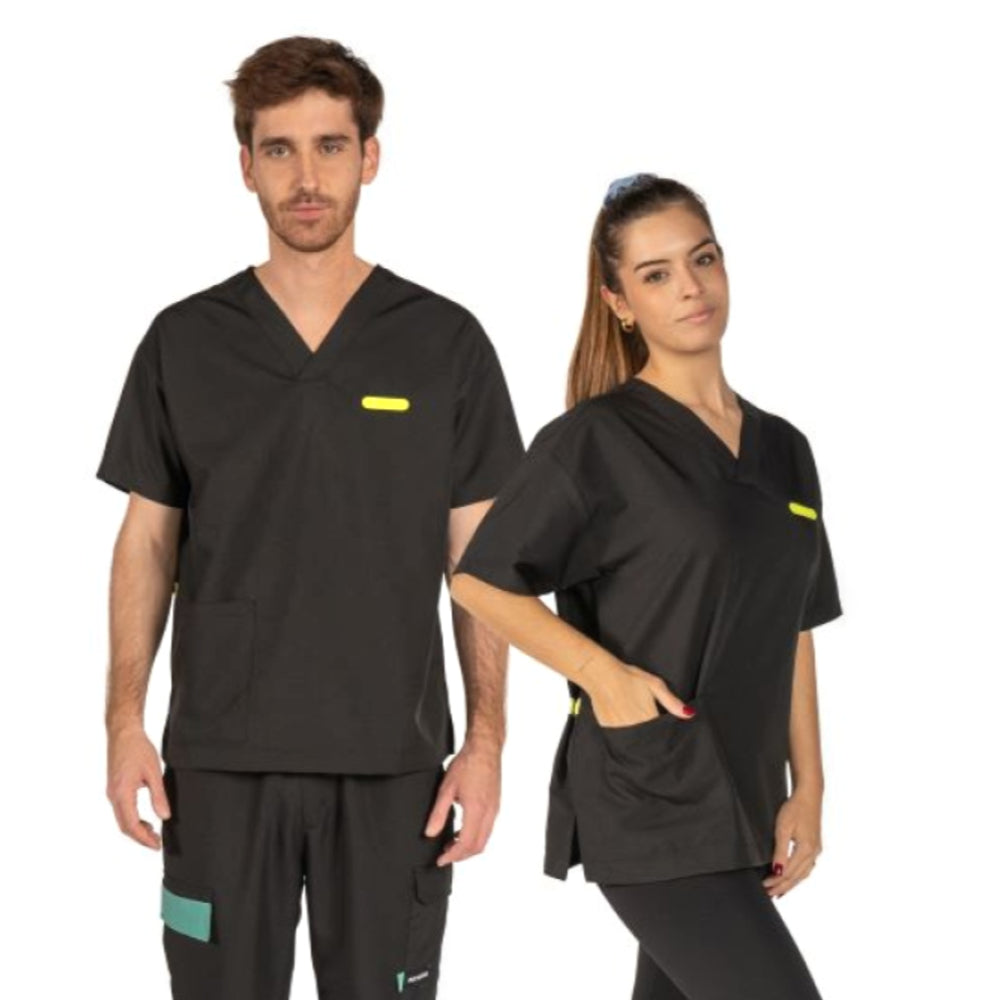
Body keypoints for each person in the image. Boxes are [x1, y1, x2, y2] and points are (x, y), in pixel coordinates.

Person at [95, 36, 524, 1000]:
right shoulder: (184, 342)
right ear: (245, 165)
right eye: (279, 149)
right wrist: (124, 723)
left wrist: (487, 740)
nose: (306, 178)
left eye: (330, 146)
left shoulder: (445, 344)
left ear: (370, 157)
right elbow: (147, 542)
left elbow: (481, 563)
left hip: (395, 771)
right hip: (219, 767)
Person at [450, 173, 843, 999]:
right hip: (651, 796)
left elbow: (795, 626)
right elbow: (481, 581)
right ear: (620, 302)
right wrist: (603, 676)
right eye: (656, 274)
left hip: (743, 795)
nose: (690, 287)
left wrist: (807, 788)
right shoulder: (594, 441)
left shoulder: (786, 450)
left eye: (702, 259)